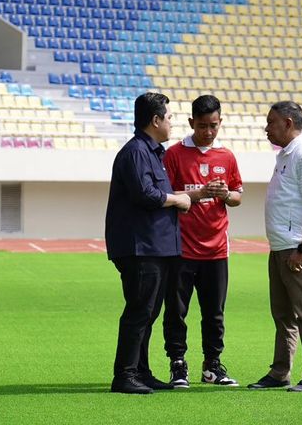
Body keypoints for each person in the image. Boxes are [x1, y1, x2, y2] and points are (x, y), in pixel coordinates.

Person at [105, 92, 192, 394]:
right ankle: (125, 375)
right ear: (155, 120)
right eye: (169, 118)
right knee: (140, 311)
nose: (172, 123)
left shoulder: (153, 153)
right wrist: (177, 199)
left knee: (149, 312)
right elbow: (146, 194)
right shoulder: (136, 152)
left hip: (155, 247)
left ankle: (140, 371)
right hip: (141, 248)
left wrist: (182, 198)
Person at [247, 100, 302, 393]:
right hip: (281, 247)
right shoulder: (286, 155)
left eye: (271, 122)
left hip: (297, 250)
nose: (266, 128)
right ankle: (280, 371)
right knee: (282, 313)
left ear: (288, 123)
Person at [162, 95, 244, 388]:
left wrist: (224, 195)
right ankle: (178, 364)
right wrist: (201, 193)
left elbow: (236, 196)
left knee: (214, 314)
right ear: (190, 123)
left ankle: (212, 366)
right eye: (202, 125)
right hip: (181, 248)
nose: (208, 132)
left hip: (217, 249)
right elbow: (167, 197)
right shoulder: (174, 155)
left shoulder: (227, 156)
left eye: (213, 125)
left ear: (220, 122)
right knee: (176, 311)